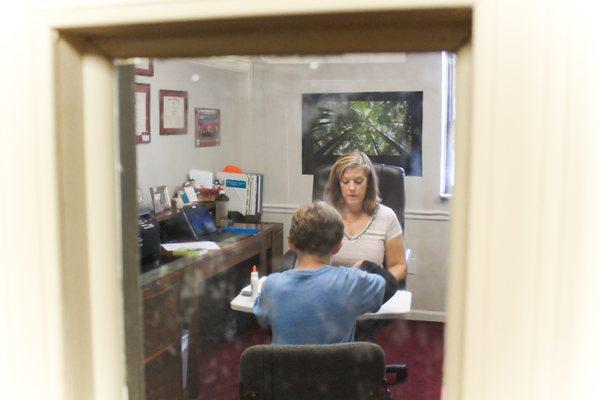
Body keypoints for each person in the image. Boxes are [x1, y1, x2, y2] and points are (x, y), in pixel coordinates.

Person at [253, 201, 390, 344]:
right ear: (338, 247)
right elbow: (385, 284)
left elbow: (263, 320)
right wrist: (363, 265)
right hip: (338, 366)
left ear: (291, 243)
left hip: (286, 366)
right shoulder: (353, 281)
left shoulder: (272, 285)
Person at [325, 151, 407, 283]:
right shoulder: (324, 216)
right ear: (338, 184)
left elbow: (400, 266)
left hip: (370, 292)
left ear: (368, 184)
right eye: (345, 181)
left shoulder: (386, 216)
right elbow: (311, 264)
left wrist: (378, 284)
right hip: (331, 290)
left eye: (358, 182)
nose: (351, 188)